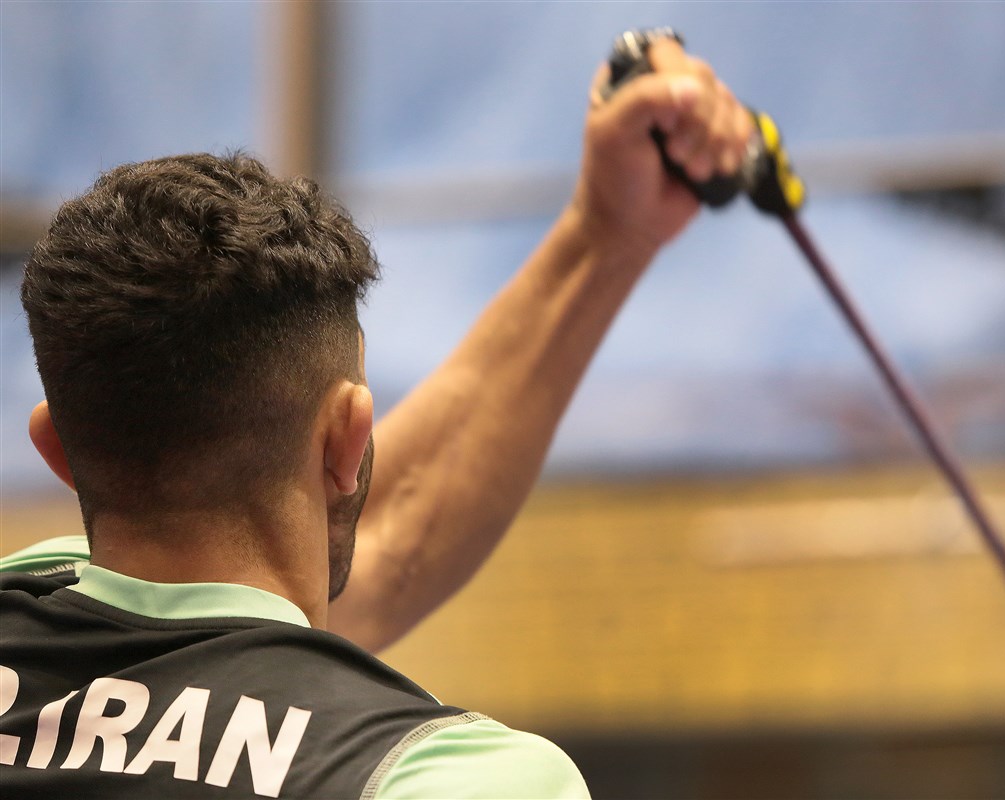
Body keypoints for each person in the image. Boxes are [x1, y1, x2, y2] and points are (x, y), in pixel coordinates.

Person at [0, 37, 751, 799]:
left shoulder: (30, 589)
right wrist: (609, 234)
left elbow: (342, 568)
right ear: (349, 438)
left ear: (57, 448)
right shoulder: (444, 776)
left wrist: (608, 234)